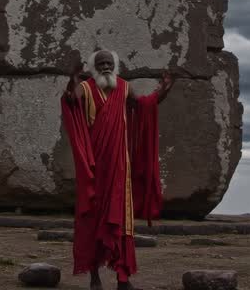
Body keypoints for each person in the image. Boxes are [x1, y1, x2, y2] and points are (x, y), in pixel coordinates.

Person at [60, 47, 174, 290]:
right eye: (100, 64)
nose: (105, 67)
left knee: (121, 221)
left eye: (109, 63)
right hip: (95, 169)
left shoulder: (124, 87)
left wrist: (164, 89)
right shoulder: (86, 88)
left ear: (115, 66)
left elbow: (144, 107)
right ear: (93, 68)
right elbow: (71, 101)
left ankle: (123, 279)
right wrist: (71, 80)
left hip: (120, 167)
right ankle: (94, 277)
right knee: (93, 220)